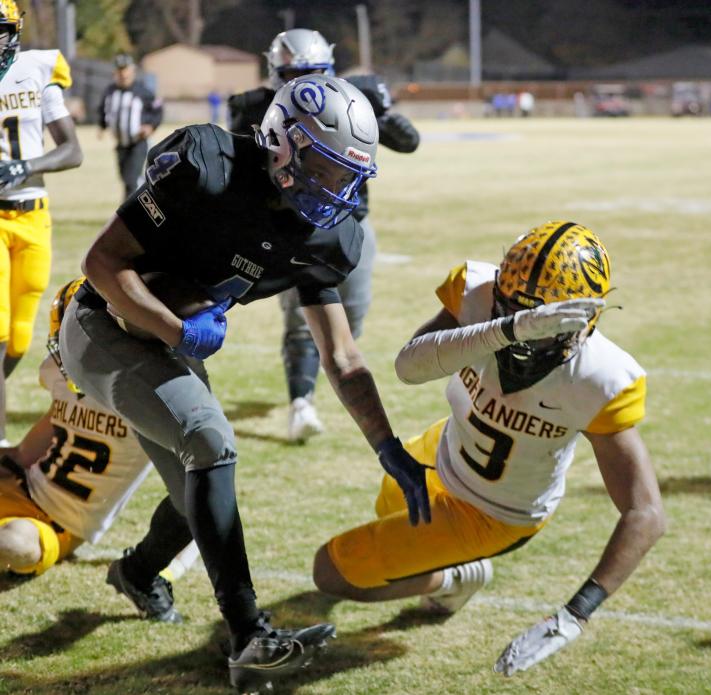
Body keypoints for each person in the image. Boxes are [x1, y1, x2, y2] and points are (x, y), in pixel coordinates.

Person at [59, 74, 431, 693]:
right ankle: (249, 635)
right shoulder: (207, 166)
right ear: (284, 142)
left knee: (196, 499)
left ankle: (136, 572)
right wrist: (176, 329)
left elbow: (340, 354)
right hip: (105, 326)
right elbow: (101, 264)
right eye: (324, 167)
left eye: (347, 176)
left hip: (168, 342)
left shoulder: (330, 237)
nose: (334, 188)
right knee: (209, 441)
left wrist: (387, 447)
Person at [312, 221, 666, 676]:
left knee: (333, 572)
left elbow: (646, 513)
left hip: (494, 511)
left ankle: (458, 575)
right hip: (440, 450)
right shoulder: (479, 295)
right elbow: (409, 366)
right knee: (387, 510)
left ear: (579, 320)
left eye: (542, 325)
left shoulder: (598, 378)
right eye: (510, 308)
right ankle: (451, 578)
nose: (525, 336)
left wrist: (574, 615)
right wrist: (510, 327)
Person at [228, 28, 420, 442]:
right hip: (292, 226)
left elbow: (409, 142)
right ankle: (302, 403)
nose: (306, 82)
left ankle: (320, 378)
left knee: (352, 318)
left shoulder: (350, 97)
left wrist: (381, 113)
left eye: (315, 71)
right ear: (275, 72)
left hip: (349, 222)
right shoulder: (257, 108)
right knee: (301, 318)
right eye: (296, 72)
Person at [0, 278, 197, 623]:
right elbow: (31, 447)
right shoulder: (60, 376)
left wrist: (166, 570)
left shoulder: (147, 399)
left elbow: (200, 499)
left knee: (15, 544)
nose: (65, 352)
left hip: (53, 523)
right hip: (21, 486)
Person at [0, 0, 83, 446]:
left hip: (33, 217)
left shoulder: (36, 70)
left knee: (17, 338)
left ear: (14, 31)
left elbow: (73, 150)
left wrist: (24, 166)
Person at [98, 53, 163, 199]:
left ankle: (129, 212)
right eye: (120, 70)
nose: (123, 74)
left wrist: (150, 126)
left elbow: (158, 109)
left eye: (125, 69)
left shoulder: (142, 91)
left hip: (137, 143)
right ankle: (136, 203)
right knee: (125, 178)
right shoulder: (110, 91)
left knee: (131, 179)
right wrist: (102, 126)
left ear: (132, 71)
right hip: (121, 143)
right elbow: (103, 109)